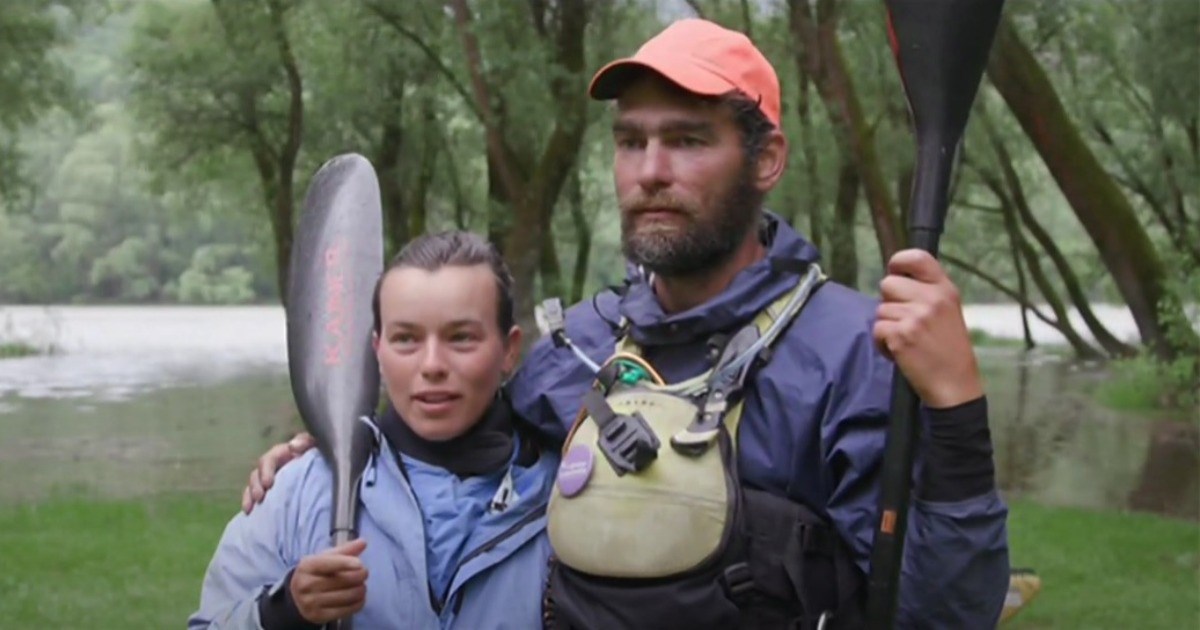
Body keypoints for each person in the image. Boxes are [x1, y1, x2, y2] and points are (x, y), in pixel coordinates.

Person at [244, 19, 1009, 629]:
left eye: (686, 140)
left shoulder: (853, 356)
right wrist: (345, 442)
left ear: (767, 158)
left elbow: (941, 613)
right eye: (631, 140)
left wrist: (957, 411)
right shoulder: (572, 349)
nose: (649, 171)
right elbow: (461, 452)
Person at [191, 232, 559, 629]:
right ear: (377, 350)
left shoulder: (568, 498)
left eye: (461, 338)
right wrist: (283, 612)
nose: (432, 364)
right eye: (406, 339)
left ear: (508, 349)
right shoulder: (299, 493)